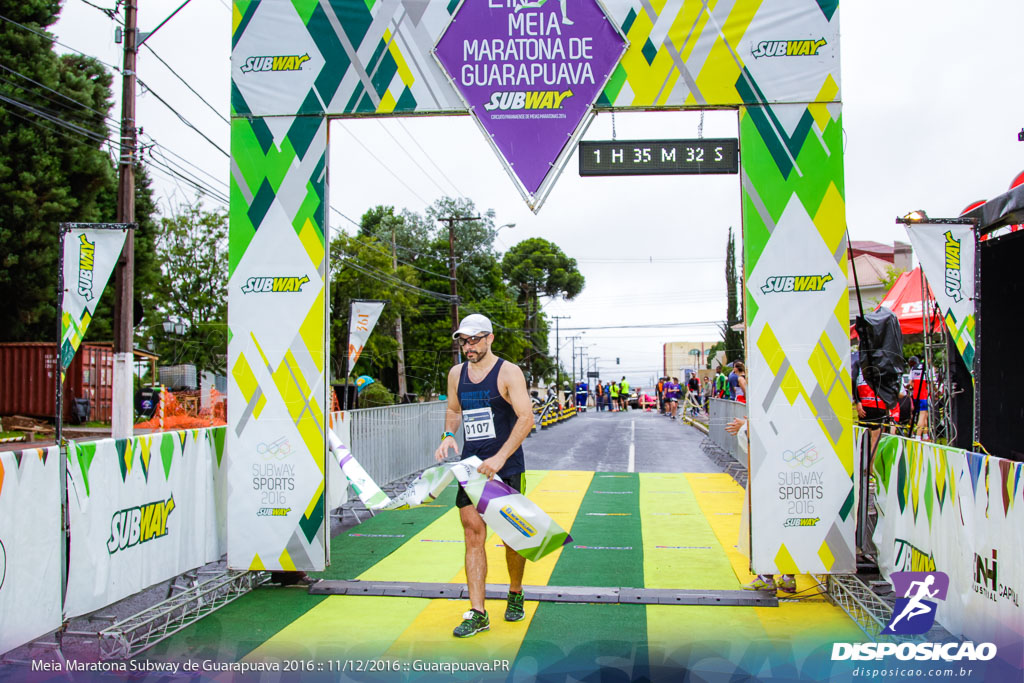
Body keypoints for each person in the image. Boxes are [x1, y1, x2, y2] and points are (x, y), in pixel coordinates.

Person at [434, 314, 534, 638]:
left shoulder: (508, 372)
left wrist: (500, 458)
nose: (469, 346)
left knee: (511, 538)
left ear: (490, 338)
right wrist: (448, 436)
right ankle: (478, 611)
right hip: (471, 468)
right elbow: (453, 410)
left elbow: (526, 418)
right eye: (464, 340)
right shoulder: (456, 374)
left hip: (505, 467)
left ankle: (515, 591)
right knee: (472, 534)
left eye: (475, 340)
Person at [726, 416, 796, 595]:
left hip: (771, 474)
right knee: (790, 523)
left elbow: (769, 437)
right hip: (794, 473)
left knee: (767, 523)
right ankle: (788, 577)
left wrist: (746, 427)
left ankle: (766, 578)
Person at [907, 356, 930, 440]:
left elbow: (910, 382)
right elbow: (931, 383)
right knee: (922, 415)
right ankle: (918, 435)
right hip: (924, 394)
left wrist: (916, 387)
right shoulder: (928, 368)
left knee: (924, 415)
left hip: (916, 394)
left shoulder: (913, 368)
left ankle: (925, 434)